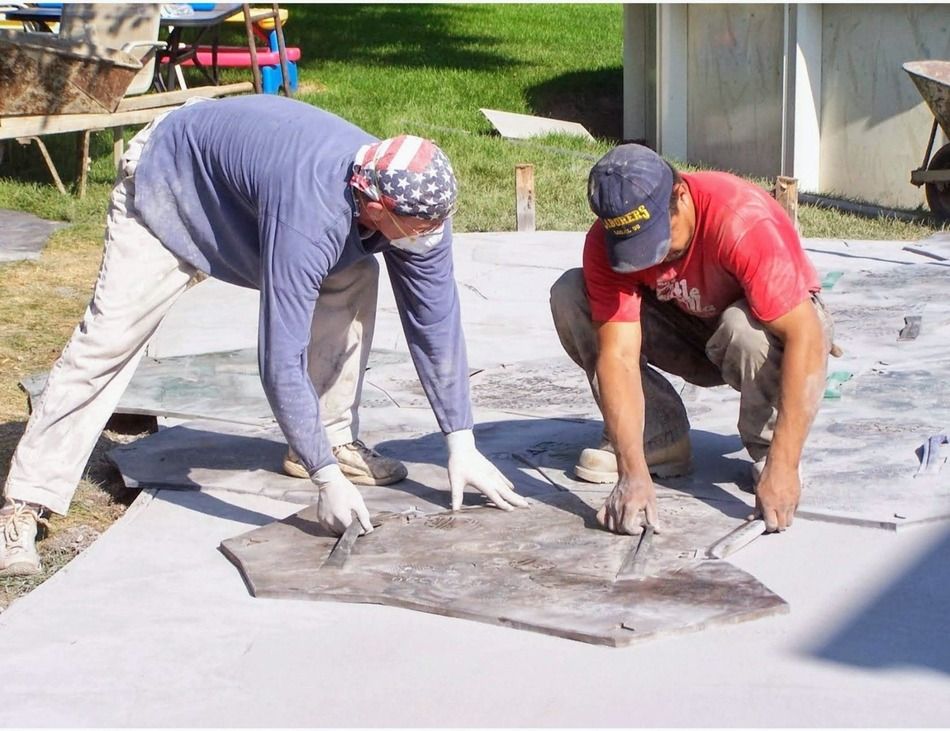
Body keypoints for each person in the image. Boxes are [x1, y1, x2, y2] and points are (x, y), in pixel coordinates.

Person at [0, 95, 528, 577]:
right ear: (372, 205)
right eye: (416, 227)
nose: (428, 235)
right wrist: (327, 483)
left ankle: (325, 438)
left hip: (250, 201)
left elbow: (434, 319)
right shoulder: (310, 218)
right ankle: (26, 501)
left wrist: (461, 441)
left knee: (352, 273)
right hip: (169, 187)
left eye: (434, 223)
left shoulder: (417, 201)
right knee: (108, 341)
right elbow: (280, 358)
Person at [550, 143, 834, 536]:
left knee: (744, 331)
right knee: (571, 294)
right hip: (685, 326)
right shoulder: (606, 242)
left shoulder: (739, 221)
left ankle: (770, 452)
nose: (649, 259)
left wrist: (784, 464)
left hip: (756, 330)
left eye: (656, 242)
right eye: (634, 251)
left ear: (681, 196)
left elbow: (806, 335)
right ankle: (659, 436)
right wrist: (631, 473)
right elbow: (617, 355)